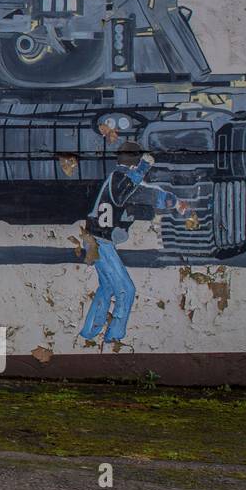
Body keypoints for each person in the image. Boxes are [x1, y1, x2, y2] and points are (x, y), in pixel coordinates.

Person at [80, 140, 190, 344]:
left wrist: (174, 202)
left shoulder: (124, 181)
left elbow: (147, 194)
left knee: (107, 287)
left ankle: (89, 331)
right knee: (126, 290)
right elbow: (123, 195)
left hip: (95, 240)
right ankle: (114, 335)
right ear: (133, 163)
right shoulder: (119, 179)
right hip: (99, 242)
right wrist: (143, 168)